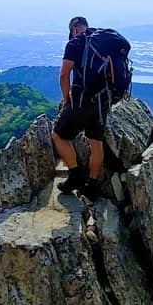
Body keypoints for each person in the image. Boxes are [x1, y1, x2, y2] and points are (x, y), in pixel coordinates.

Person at [51, 15, 110, 199]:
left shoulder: (75, 43)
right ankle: (92, 186)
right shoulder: (102, 40)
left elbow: (64, 75)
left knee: (58, 135)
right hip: (103, 100)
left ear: (74, 30)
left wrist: (66, 99)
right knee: (96, 142)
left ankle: (75, 175)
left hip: (82, 99)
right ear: (86, 26)